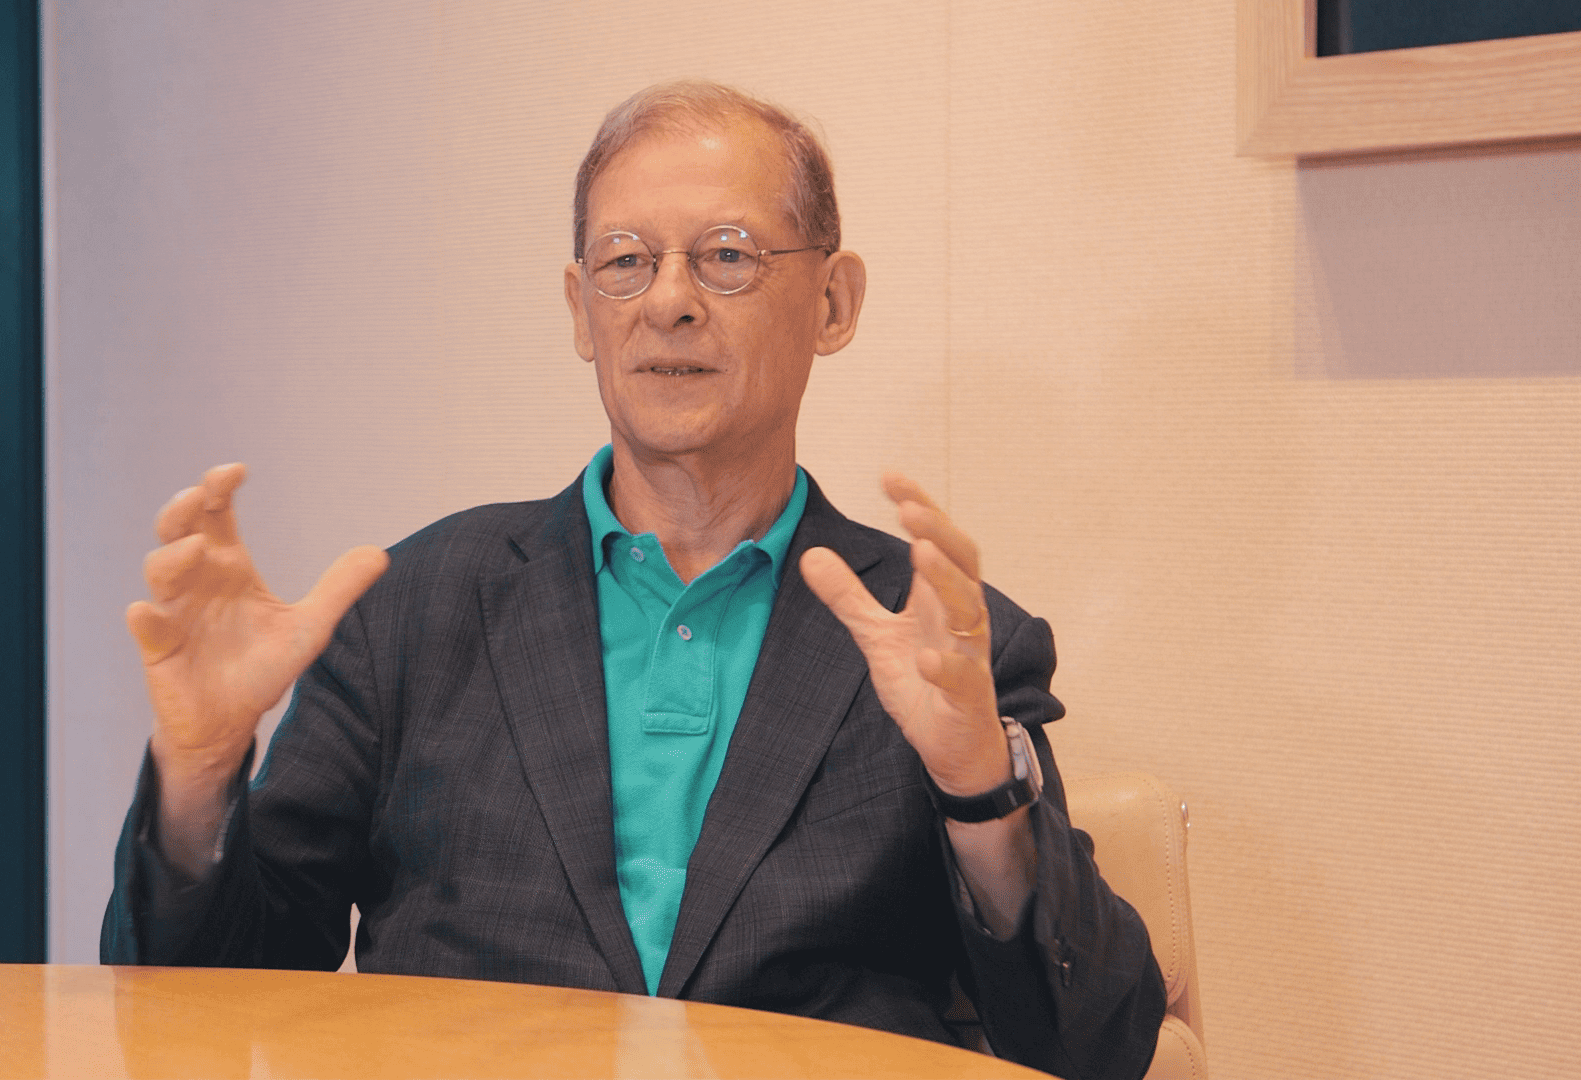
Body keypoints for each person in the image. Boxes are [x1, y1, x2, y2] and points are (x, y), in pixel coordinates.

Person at [102, 81, 1165, 1080]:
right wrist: (199, 771)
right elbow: (201, 1005)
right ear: (581, 309)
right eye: (626, 261)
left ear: (834, 303)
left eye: (728, 256)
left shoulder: (934, 640)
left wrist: (980, 791)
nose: (669, 302)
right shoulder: (416, 609)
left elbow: (1098, 1047)